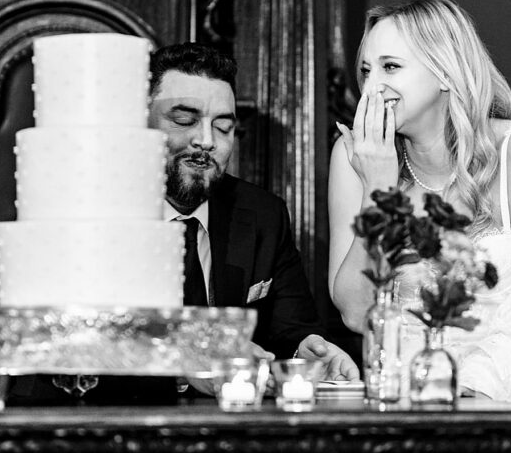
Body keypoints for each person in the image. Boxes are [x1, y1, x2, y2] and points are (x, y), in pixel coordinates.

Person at [327, 0, 511, 453]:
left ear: (445, 72)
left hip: (509, 416)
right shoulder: (353, 158)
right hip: (404, 420)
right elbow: (355, 311)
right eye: (366, 70)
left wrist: (463, 391)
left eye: (391, 67)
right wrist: (377, 189)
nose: (371, 87)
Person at [149, 42, 358, 382]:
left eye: (223, 127)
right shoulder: (93, 216)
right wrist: (196, 359)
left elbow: (291, 327)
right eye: (184, 120)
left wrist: (306, 351)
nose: (206, 140)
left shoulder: (263, 214)